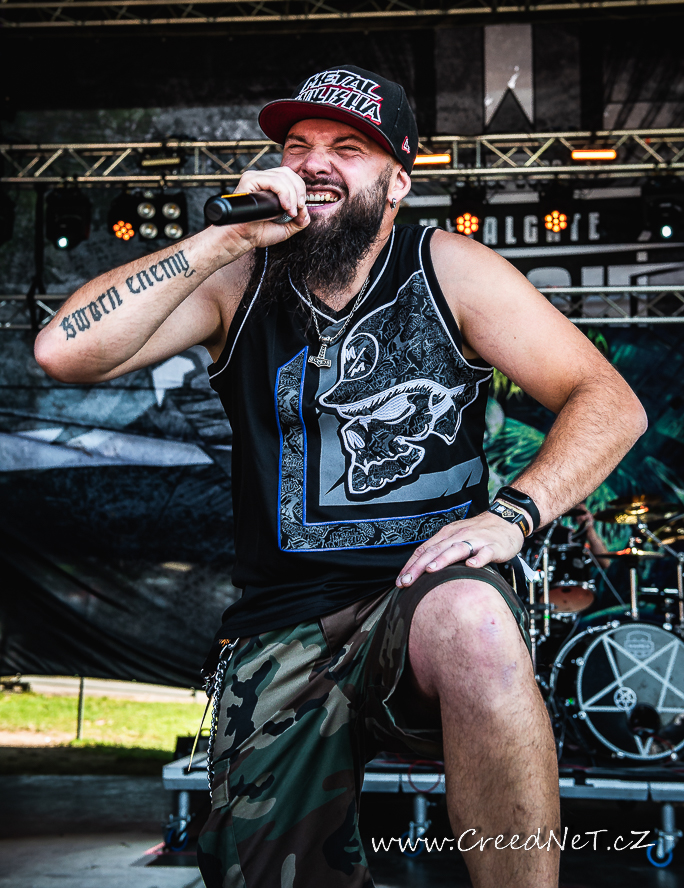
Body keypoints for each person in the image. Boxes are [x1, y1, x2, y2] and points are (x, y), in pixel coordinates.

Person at [34, 65, 647, 888]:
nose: (314, 161)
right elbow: (62, 351)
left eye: (347, 148)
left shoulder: (449, 269)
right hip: (281, 624)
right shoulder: (237, 279)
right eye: (298, 145)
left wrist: (514, 514)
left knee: (474, 618)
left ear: (398, 181)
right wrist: (224, 239)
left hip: (419, 598)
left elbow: (608, 401)